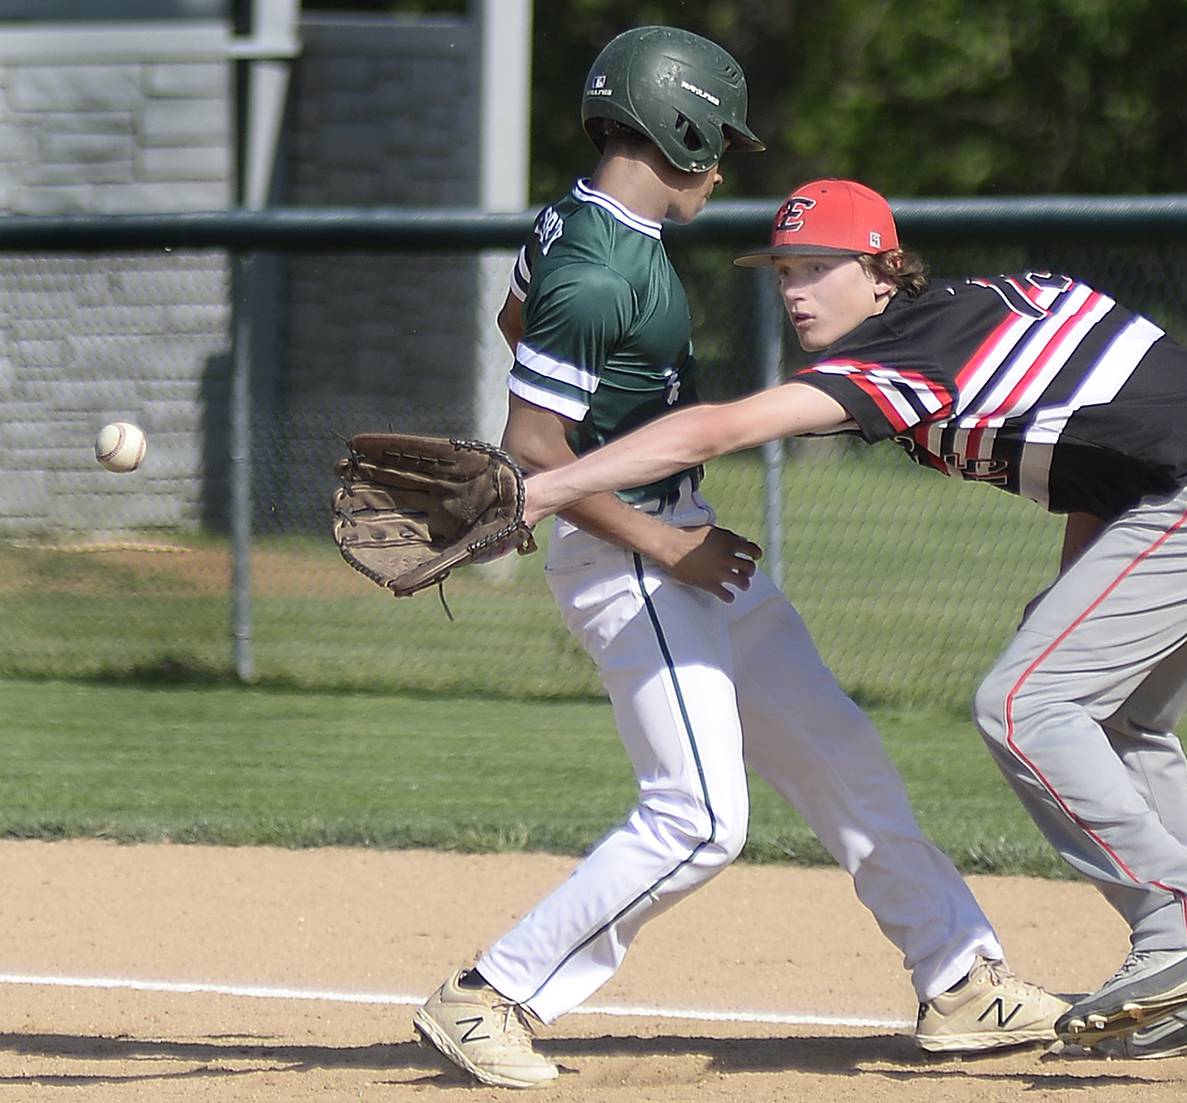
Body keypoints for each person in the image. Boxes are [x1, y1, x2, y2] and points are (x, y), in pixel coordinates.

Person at [519, 178, 1187, 1061]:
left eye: (819, 268)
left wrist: (546, 487)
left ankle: (1185, 941)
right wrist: (1070, 601)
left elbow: (722, 428)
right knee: (1115, 716)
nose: (794, 291)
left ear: (882, 270)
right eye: (784, 270)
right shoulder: (974, 311)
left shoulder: (911, 351)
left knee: (1020, 704)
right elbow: (1107, 454)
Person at [413, 34, 1066, 1090]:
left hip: (681, 540)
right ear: (674, 127)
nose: (721, 166)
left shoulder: (580, 221)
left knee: (841, 750)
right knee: (702, 817)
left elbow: (513, 320)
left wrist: (668, 509)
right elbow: (534, 446)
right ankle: (489, 994)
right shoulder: (597, 261)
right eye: (714, 141)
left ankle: (961, 979)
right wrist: (668, 540)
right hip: (635, 558)